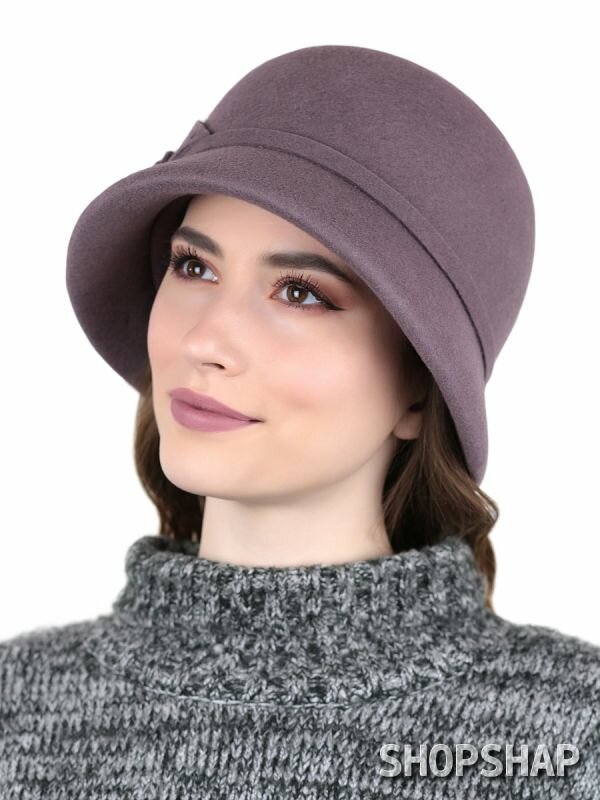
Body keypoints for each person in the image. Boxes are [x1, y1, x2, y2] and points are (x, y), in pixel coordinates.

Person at [1, 44, 598, 798]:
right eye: (193, 266)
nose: (205, 341)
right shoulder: (15, 708)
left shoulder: (569, 742)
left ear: (420, 392)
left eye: (300, 293)